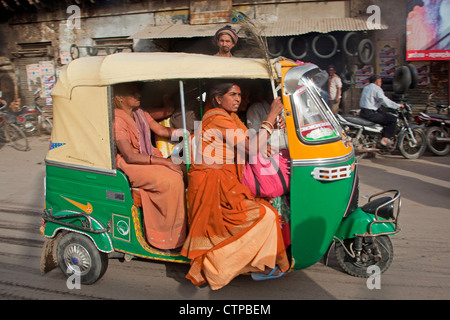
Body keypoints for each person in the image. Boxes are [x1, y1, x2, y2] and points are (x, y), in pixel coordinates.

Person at [181, 82, 290, 290]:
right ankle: (220, 270)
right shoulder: (216, 117)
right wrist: (270, 117)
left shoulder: (231, 117)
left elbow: (251, 139)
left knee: (267, 212)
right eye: (233, 94)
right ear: (217, 98)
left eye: (239, 95)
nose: (238, 99)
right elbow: (250, 148)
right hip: (212, 182)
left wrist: (272, 127)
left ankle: (257, 264)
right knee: (261, 215)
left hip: (227, 181)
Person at [113, 82, 187, 251]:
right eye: (133, 93)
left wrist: (188, 133)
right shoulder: (117, 120)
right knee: (171, 180)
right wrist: (165, 162)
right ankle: (164, 238)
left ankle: (180, 231)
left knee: (184, 169)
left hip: (148, 157)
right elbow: (130, 156)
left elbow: (161, 130)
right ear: (120, 98)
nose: (139, 95)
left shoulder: (139, 113)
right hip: (129, 164)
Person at [359, 75, 404, 147]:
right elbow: (384, 101)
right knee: (392, 119)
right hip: (371, 113)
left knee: (384, 115)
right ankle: (385, 139)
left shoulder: (366, 88)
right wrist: (397, 106)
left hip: (363, 112)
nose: (381, 83)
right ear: (377, 81)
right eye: (380, 81)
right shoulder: (376, 88)